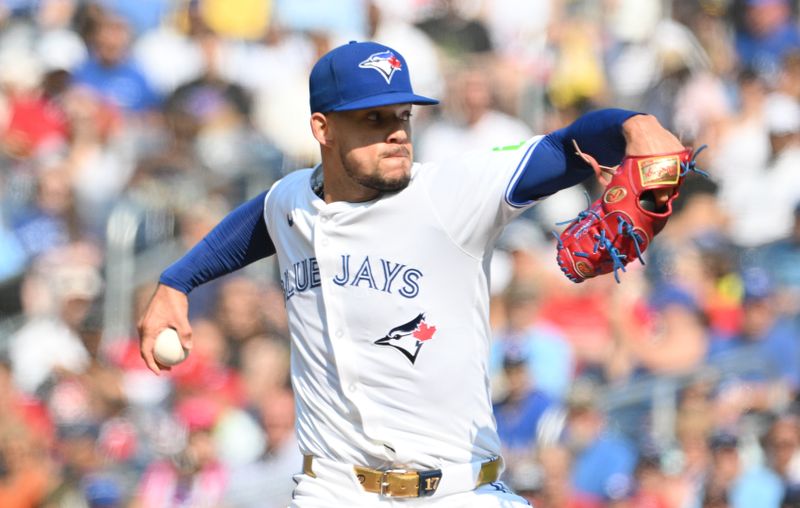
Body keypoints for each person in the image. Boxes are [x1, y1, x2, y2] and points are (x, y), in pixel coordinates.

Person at [138, 40, 688, 506]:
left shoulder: (452, 194)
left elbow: (566, 146)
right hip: (333, 489)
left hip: (453, 490)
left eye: (402, 116)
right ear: (322, 128)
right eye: (373, 119)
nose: (397, 133)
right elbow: (258, 219)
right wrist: (177, 281)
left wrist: (632, 124)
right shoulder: (291, 201)